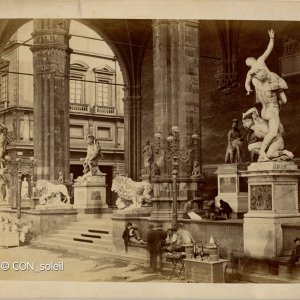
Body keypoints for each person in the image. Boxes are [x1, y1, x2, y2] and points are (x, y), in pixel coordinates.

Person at [245, 29, 288, 162]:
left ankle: (269, 152)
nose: (248, 65)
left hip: (265, 109)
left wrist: (248, 89)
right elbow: (268, 50)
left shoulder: (253, 74)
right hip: (271, 108)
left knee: (277, 131)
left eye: (248, 63)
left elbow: (247, 82)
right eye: (248, 65)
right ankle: (263, 152)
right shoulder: (259, 67)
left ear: (251, 61)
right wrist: (272, 38)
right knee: (274, 132)